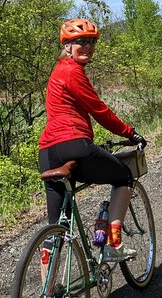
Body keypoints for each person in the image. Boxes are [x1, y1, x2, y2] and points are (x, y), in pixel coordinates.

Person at [39, 18, 145, 262]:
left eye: (90, 42)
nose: (86, 47)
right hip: (74, 146)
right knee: (124, 177)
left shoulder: (57, 73)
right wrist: (130, 132)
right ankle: (113, 246)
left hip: (47, 152)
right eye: (80, 42)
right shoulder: (71, 71)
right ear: (67, 46)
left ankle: (49, 289)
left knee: (55, 229)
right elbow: (99, 111)